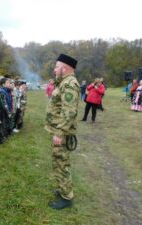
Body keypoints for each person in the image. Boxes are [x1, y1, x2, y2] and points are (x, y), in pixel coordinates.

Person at [45, 54, 79, 210]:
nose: (54, 69)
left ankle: (67, 197)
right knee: (58, 162)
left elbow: (69, 112)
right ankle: (62, 189)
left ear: (64, 68)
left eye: (57, 66)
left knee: (61, 163)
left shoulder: (70, 84)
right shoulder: (63, 82)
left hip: (62, 133)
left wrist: (59, 133)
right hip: (59, 130)